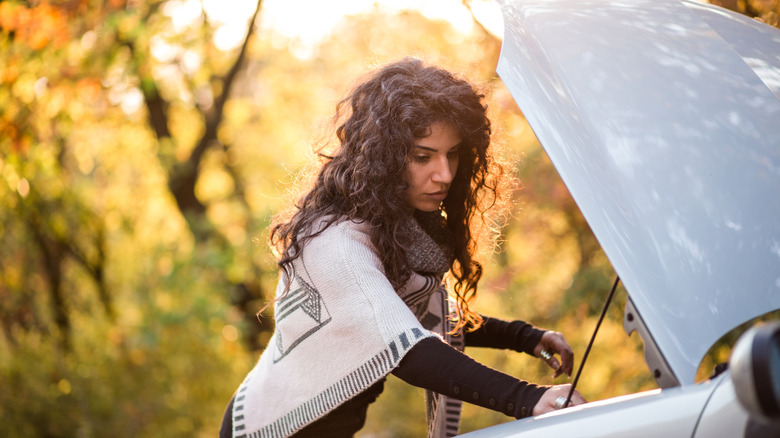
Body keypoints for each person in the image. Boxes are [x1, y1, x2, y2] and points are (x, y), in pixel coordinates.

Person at [220, 57, 586, 438]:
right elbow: (410, 350)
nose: (444, 174)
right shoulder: (337, 245)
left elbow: (418, 313)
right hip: (270, 428)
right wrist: (528, 398)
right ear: (385, 157)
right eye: (423, 156)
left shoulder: (393, 227)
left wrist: (523, 337)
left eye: (453, 153)